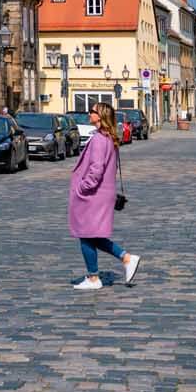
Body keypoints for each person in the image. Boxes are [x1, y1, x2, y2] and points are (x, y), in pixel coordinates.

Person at [68, 101, 144, 291]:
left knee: (85, 235)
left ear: (100, 116)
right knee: (93, 235)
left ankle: (94, 278)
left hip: (93, 195)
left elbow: (96, 170)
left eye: (92, 111)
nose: (88, 114)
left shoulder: (100, 140)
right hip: (101, 194)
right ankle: (126, 258)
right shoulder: (107, 138)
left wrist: (82, 188)